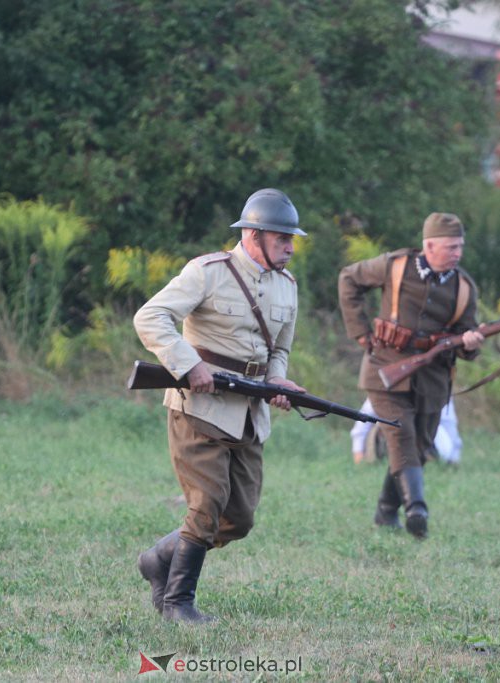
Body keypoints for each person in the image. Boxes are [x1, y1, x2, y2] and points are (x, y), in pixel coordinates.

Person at [132, 188, 306, 624]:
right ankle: (178, 604)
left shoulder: (288, 287)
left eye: (291, 238)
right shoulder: (208, 272)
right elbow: (149, 317)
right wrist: (188, 364)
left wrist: (276, 381)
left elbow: (279, 350)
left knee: (239, 519)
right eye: (282, 237)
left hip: (248, 413)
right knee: (207, 502)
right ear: (253, 234)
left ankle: (159, 559)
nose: (290, 246)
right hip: (200, 407)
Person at [338, 213, 484, 539]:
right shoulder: (396, 265)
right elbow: (349, 279)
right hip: (384, 370)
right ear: (428, 246)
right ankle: (417, 507)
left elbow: (465, 338)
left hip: (433, 379)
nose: (457, 253)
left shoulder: (464, 288)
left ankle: (386, 511)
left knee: (419, 447)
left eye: (460, 247)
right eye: (450, 247)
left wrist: (471, 344)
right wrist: (361, 333)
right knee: (399, 433)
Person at [350, 397, 463, 465]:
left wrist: (453, 457)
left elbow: (448, 423)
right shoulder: (390, 380)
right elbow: (363, 422)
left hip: (424, 442)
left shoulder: (435, 383)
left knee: (435, 427)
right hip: (392, 441)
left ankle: (428, 459)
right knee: (382, 425)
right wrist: (358, 454)